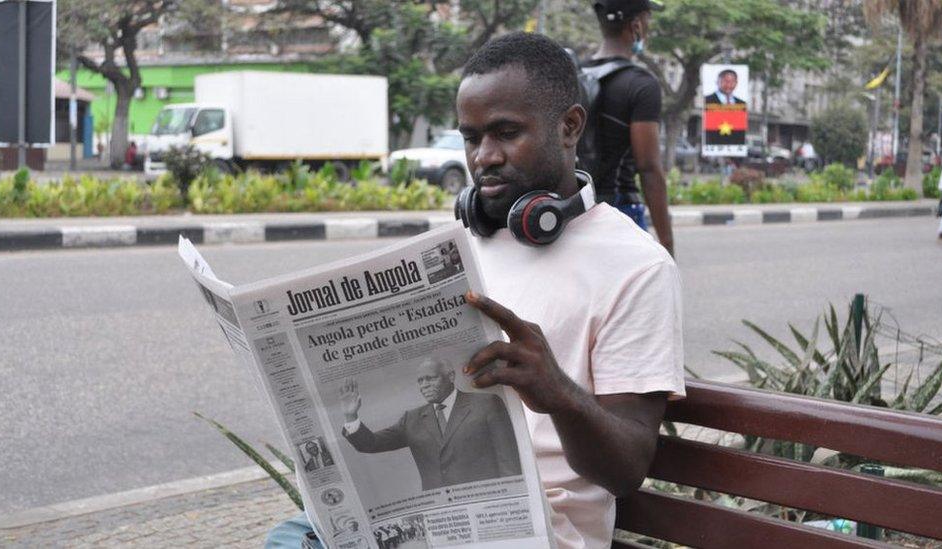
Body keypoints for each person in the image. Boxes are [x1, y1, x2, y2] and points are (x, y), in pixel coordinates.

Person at [267, 32, 684, 549]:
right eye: (471, 138)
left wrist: (561, 396)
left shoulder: (636, 265)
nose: (484, 156)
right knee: (289, 540)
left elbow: (626, 470)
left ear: (570, 126)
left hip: (540, 528)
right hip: (428, 517)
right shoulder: (460, 246)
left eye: (506, 133)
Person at [339, 357, 522, 491]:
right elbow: (370, 444)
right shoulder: (412, 419)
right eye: (420, 381)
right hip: (442, 515)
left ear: (450, 376)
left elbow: (509, 464)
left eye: (430, 378)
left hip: (488, 505)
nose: (424, 385)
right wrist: (350, 416)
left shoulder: (486, 404)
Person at [584, 0, 674, 256]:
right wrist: (666, 245)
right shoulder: (641, 84)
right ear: (636, 25)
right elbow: (649, 169)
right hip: (620, 209)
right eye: (647, 20)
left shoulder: (575, 73)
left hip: (576, 211)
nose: (647, 28)